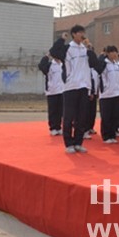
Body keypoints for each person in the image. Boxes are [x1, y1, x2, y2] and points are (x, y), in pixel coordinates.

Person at [49, 26, 96, 154]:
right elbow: (53, 52)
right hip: (70, 86)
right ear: (74, 34)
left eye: (83, 32)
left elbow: (94, 63)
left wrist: (90, 48)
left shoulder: (85, 49)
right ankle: (69, 143)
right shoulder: (67, 48)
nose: (82, 35)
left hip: (84, 86)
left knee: (81, 117)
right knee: (69, 117)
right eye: (80, 32)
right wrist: (61, 39)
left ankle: (78, 143)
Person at [93, 46, 119, 144]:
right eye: (112, 52)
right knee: (106, 117)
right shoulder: (104, 64)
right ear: (107, 53)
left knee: (115, 116)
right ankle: (106, 136)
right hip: (106, 94)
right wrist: (102, 56)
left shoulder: (118, 66)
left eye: (115, 52)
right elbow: (98, 70)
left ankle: (113, 135)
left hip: (116, 93)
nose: (114, 54)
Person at [38, 54, 64, 136]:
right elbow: (41, 66)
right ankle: (53, 128)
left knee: (60, 111)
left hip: (62, 90)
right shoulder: (49, 65)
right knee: (53, 110)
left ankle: (58, 127)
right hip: (52, 91)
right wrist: (46, 56)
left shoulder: (63, 65)